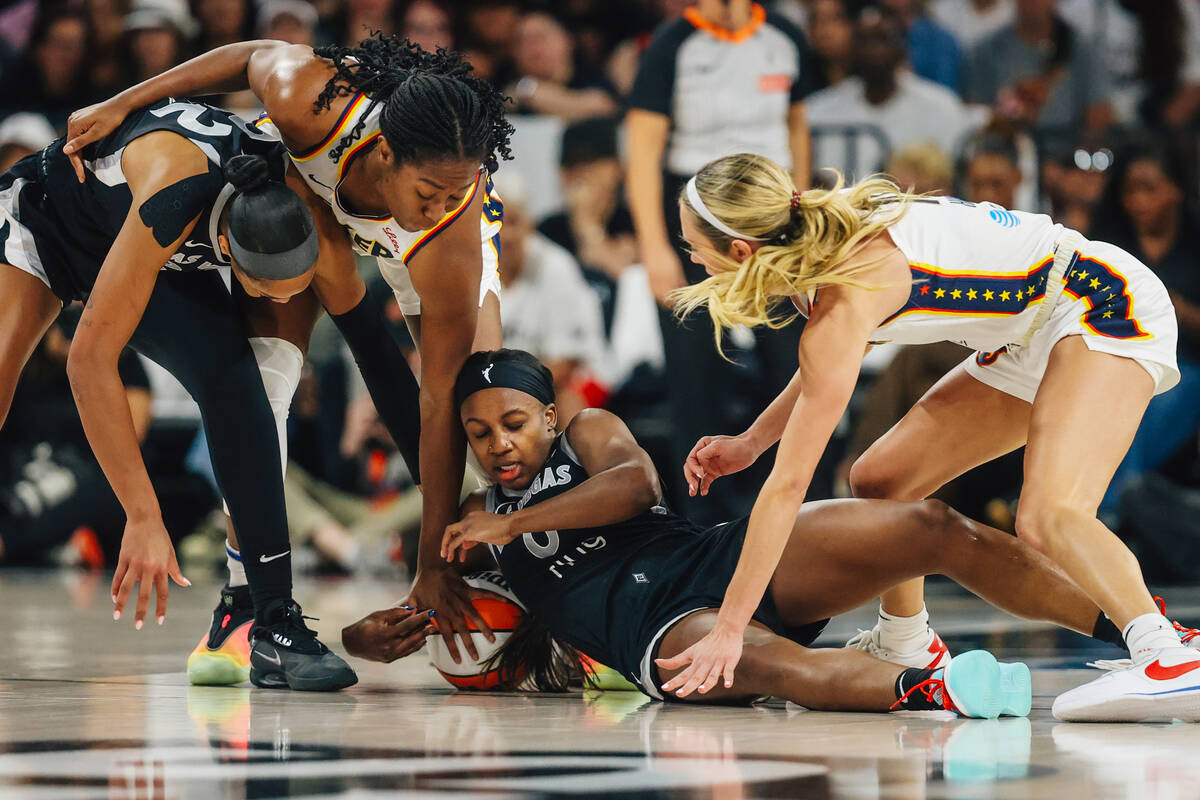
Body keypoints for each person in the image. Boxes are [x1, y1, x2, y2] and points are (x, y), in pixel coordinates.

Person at [343, 350, 1196, 716]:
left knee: (931, 524)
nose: (500, 444)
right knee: (769, 664)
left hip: (712, 557)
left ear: (548, 413)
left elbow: (636, 487)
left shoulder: (589, 434)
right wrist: (368, 639)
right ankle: (940, 693)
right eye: (482, 434)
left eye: (515, 423)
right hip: (655, 634)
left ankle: (1148, 632)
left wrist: (514, 521)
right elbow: (424, 626)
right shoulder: (465, 529)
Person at [669, 152, 1200, 722]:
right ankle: (907, 639)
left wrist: (730, 631)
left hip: (1098, 301)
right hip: (1032, 326)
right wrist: (752, 441)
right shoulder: (822, 243)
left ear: (741, 251)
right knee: (881, 479)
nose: (692, 256)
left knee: (1049, 513)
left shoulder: (845, 294)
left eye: (692, 244)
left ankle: (1169, 656)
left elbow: (788, 487)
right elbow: (827, 369)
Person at [62, 34, 514, 668]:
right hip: (311, 201)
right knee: (263, 386)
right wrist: (122, 101)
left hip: (429, 258)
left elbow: (430, 403)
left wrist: (429, 562)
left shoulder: (449, 230)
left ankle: (546, 583)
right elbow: (245, 56)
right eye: (430, 191)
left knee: (489, 413)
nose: (440, 204)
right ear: (384, 151)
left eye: (454, 192)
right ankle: (244, 611)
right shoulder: (310, 97)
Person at [0, 98, 359, 690]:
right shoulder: (177, 196)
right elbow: (88, 361)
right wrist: (142, 516)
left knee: (237, 383)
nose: (276, 304)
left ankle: (265, 617)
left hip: (137, 231)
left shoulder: (288, 192)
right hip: (49, 217)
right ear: (229, 254)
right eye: (265, 290)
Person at [626, 0, 818, 525]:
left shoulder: (782, 35)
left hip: (770, 217)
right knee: (696, 374)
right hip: (695, 218)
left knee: (798, 360)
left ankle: (805, 507)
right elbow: (642, 149)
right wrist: (654, 246)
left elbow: (797, 127)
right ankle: (702, 521)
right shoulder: (672, 44)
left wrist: (802, 215)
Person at [1088, 137, 1200, 515]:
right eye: (1131, 190)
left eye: (1150, 189)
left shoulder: (1194, 245)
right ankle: (1111, 506)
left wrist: (1180, 311)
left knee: (1157, 396)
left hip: (1186, 367)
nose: (1138, 201)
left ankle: (1110, 506)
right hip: (1116, 361)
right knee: (1113, 394)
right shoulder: (1110, 245)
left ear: (1177, 190)